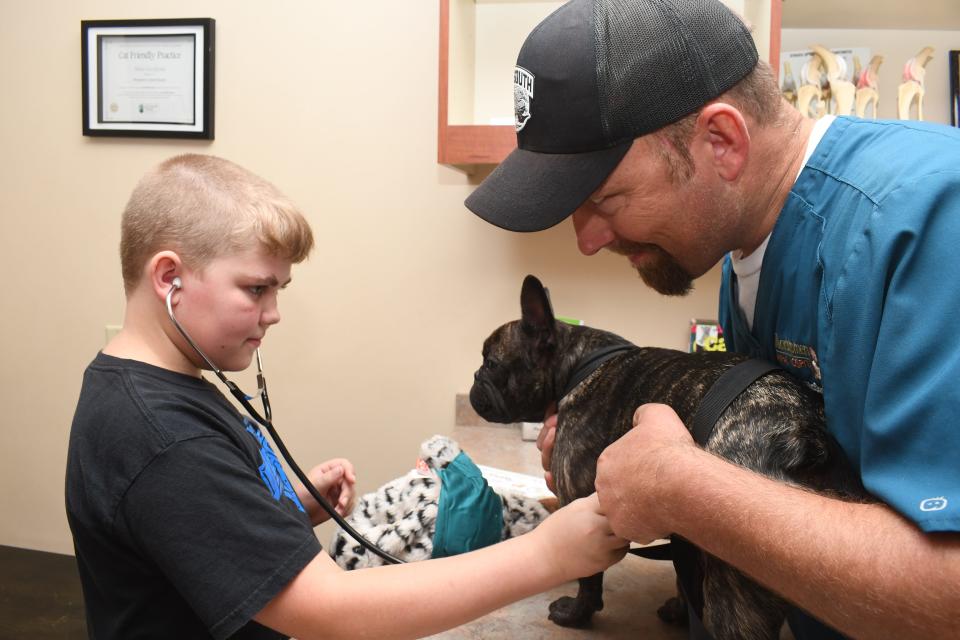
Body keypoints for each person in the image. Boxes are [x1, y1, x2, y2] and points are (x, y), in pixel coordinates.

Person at [463, 0, 960, 638]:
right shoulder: (740, 251)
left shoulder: (928, 221)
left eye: (605, 199)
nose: (587, 241)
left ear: (721, 142)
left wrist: (685, 489)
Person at [65, 153, 627, 640]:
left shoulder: (169, 392)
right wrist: (545, 554)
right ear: (169, 278)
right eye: (256, 288)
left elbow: (188, 539)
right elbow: (325, 611)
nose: (274, 312)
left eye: (279, 290)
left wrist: (281, 514)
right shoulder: (163, 437)